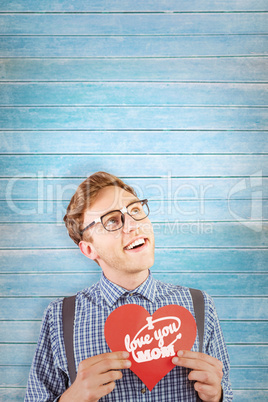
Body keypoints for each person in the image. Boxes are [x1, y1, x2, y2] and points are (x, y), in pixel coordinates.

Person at [25, 171, 233, 401]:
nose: (133, 225)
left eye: (135, 210)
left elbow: (226, 392)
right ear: (88, 250)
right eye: (112, 220)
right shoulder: (59, 317)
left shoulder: (200, 305)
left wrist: (218, 396)